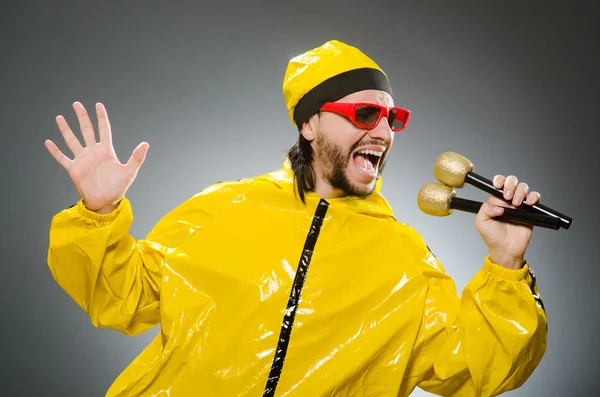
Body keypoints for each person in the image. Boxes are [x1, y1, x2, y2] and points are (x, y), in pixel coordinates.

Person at [45, 40, 547, 397]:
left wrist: (506, 264)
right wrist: (97, 213)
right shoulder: (224, 209)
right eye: (366, 115)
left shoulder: (404, 262)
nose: (384, 132)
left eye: (393, 119)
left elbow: (470, 369)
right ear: (309, 123)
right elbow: (123, 298)